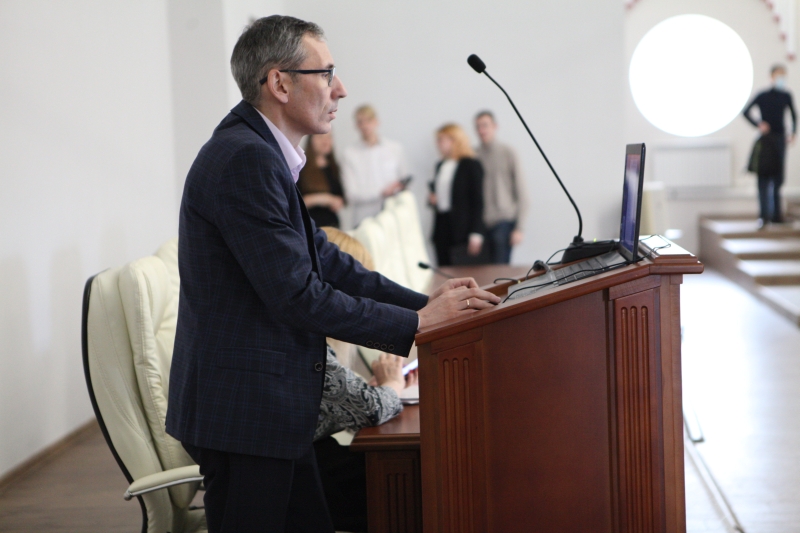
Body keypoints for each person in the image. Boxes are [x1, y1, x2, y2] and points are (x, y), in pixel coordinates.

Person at [166, 15, 500, 533]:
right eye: (325, 73)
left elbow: (327, 259)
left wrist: (425, 305)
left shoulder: (261, 151)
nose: (339, 88)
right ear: (280, 83)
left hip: (271, 406)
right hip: (247, 412)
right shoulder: (246, 159)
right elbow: (299, 295)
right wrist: (419, 325)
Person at [744, 64, 797, 226]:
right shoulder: (763, 95)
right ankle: (763, 215)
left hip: (780, 139)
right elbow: (746, 111)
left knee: (778, 178)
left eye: (783, 76)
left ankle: (776, 215)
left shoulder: (786, 95)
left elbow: (794, 115)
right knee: (764, 177)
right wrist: (758, 124)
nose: (781, 79)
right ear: (772, 77)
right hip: (766, 140)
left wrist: (793, 133)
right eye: (779, 75)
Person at [474, 111, 529, 263]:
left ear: (495, 126)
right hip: (481, 224)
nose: (481, 130)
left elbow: (522, 192)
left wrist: (520, 228)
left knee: (500, 270)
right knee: (481, 272)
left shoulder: (508, 152)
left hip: (503, 221)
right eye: (478, 126)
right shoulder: (473, 155)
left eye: (485, 125)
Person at [342, 105, 409, 226]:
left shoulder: (395, 149)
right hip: (363, 219)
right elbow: (351, 195)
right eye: (360, 122)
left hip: (392, 217)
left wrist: (396, 189)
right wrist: (382, 192)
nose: (365, 125)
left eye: (368, 120)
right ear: (356, 125)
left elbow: (403, 182)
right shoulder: (350, 153)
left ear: (376, 121)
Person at [428, 123, 485, 266]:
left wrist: (476, 233)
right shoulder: (440, 165)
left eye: (441, 139)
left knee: (462, 269)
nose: (438, 144)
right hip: (442, 225)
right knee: (444, 267)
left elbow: (478, 201)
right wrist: (432, 199)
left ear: (454, 140)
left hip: (462, 228)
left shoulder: (470, 164)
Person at [297, 132, 345, 228]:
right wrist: (326, 199)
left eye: (329, 137)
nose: (325, 141)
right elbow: (297, 201)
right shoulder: (301, 168)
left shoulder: (334, 167)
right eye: (320, 137)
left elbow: (341, 198)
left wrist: (335, 201)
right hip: (309, 224)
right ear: (311, 140)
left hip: (331, 224)